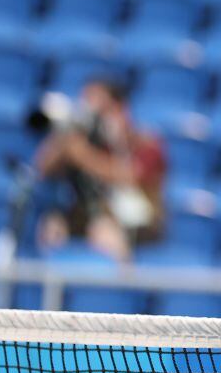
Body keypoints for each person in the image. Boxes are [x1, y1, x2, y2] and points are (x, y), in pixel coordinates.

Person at [33, 78, 166, 262]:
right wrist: (62, 138)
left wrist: (82, 154)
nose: (94, 114)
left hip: (138, 220)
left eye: (101, 108)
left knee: (105, 233)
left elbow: (129, 177)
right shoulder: (87, 140)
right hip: (89, 214)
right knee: (51, 226)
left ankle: (124, 277)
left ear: (120, 109)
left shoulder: (146, 141)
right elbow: (41, 169)